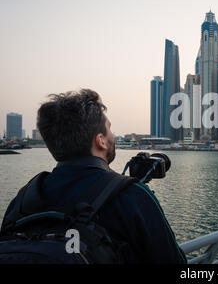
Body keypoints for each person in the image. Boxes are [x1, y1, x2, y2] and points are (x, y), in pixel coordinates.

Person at [0, 89, 187, 264]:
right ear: (101, 140)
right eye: (109, 128)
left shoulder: (23, 198)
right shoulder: (132, 195)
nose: (112, 135)